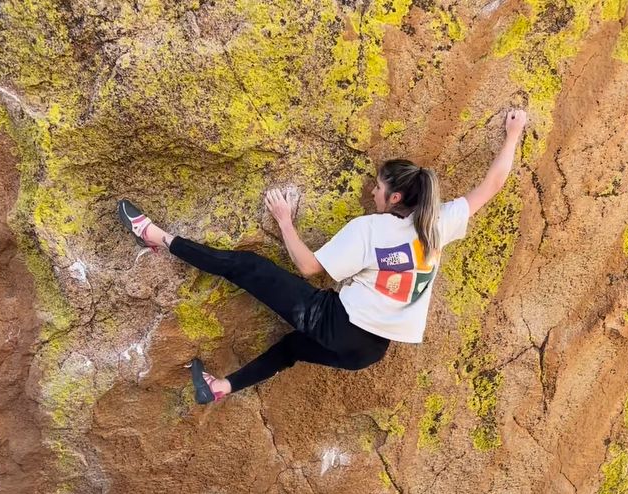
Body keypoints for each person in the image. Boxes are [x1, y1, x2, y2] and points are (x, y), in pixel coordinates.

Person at [117, 109, 527, 404]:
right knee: (293, 349)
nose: (372, 193)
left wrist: (285, 222)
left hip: (336, 323)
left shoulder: (371, 228)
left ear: (396, 197)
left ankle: (157, 237)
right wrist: (513, 135)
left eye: (378, 189)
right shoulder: (437, 224)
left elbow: (310, 267)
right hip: (369, 352)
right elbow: (493, 185)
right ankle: (221, 387)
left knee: (249, 266)